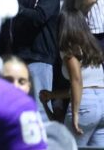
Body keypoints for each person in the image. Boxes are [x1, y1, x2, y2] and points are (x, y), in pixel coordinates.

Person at [40, 9, 104, 145]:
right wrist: (52, 95)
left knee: (68, 147)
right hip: (102, 101)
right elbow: (87, 86)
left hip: (85, 107)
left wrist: (75, 114)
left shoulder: (69, 48)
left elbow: (77, 80)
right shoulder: (92, 48)